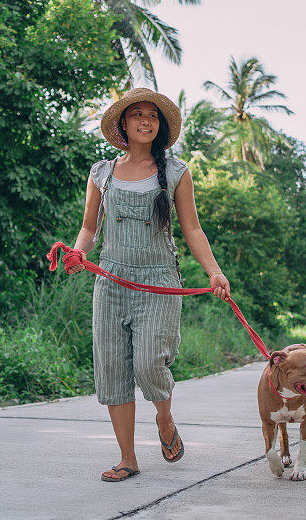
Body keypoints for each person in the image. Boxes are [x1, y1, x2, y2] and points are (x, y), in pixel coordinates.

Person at [67, 88, 230, 482]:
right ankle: (128, 458)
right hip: (111, 281)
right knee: (111, 369)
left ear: (160, 127)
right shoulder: (101, 172)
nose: (145, 121)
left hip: (158, 281)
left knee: (149, 364)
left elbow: (192, 228)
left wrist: (214, 271)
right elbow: (90, 227)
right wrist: (77, 253)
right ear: (123, 123)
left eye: (152, 117)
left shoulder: (175, 172)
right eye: (137, 114)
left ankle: (165, 418)